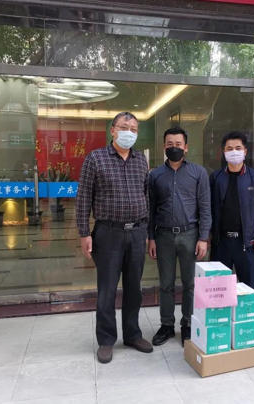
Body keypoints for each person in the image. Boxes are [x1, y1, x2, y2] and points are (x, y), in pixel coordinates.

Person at [76, 111, 153, 364]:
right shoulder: (95, 158)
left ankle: (132, 335)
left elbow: (146, 195)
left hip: (137, 232)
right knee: (107, 289)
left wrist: (147, 230)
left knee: (134, 288)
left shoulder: (141, 160)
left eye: (133, 129)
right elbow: (83, 198)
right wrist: (84, 233)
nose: (129, 133)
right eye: (123, 127)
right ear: (112, 130)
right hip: (108, 233)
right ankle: (106, 340)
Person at [148, 127, 211, 346]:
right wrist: (151, 238)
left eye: (178, 144)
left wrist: (203, 238)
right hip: (163, 236)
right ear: (164, 147)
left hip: (190, 235)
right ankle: (166, 325)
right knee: (165, 284)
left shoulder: (198, 173)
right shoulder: (155, 175)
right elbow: (151, 209)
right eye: (169, 144)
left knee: (190, 284)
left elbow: (205, 207)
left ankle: (188, 324)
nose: (173, 148)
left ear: (186, 147)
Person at [209, 131, 254, 288]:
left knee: (249, 288)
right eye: (229, 149)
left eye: (238, 148)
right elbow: (210, 208)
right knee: (220, 288)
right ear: (223, 151)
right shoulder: (216, 177)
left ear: (245, 151)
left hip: (247, 242)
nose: (234, 152)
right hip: (221, 243)